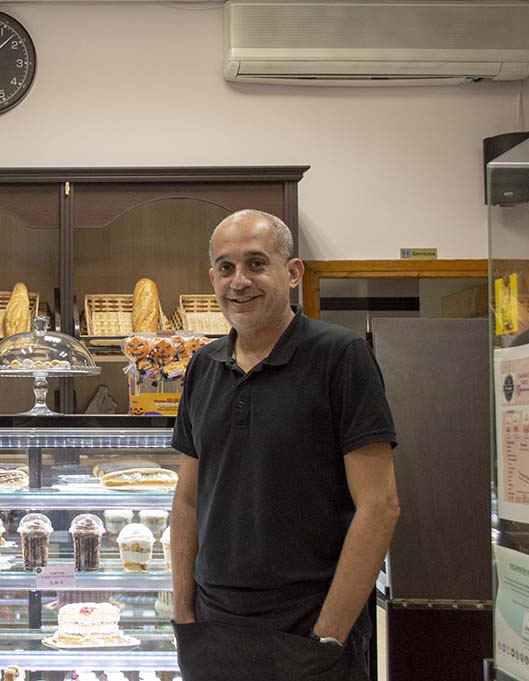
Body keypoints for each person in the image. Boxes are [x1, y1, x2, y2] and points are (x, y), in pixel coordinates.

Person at [170, 209, 400, 681]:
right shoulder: (201, 367)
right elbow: (188, 500)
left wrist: (330, 635)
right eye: (226, 267)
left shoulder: (340, 356)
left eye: (256, 263)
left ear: (292, 273)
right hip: (214, 629)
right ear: (212, 277)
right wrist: (183, 613)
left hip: (307, 627)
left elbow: (379, 506)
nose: (240, 281)